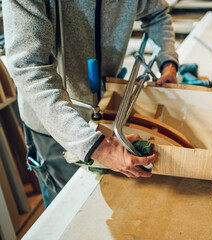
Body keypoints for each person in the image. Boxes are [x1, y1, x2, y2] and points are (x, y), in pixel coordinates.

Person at [3, 0, 179, 207]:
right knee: (66, 214)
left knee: (104, 209)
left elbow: (156, 13)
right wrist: (97, 148)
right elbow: (29, 67)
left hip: (104, 108)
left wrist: (167, 61)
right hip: (54, 126)